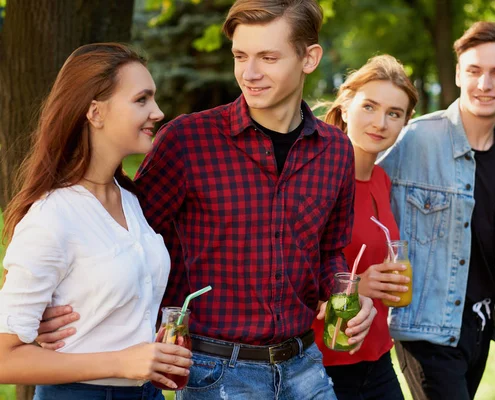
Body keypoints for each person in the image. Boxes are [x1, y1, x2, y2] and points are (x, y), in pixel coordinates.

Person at [36, 1, 376, 399]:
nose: (249, 74)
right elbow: (122, 238)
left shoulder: (335, 150)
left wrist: (347, 296)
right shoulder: (187, 142)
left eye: (268, 57)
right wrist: (51, 303)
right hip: (214, 373)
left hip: (305, 366)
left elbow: (329, 252)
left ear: (309, 58)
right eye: (240, 56)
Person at [378, 22, 495, 400]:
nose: (485, 84)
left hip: (481, 326)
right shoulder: (414, 140)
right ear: (459, 71)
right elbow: (359, 199)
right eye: (475, 70)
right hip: (425, 327)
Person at [0, 43, 192, 399]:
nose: (158, 111)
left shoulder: (131, 200)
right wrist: (120, 362)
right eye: (142, 100)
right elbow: (3, 359)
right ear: (95, 113)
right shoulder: (52, 217)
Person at [311, 55, 418, 400]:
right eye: (369, 106)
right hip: (321, 364)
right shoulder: (316, 181)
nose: (380, 123)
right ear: (344, 106)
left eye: (394, 113)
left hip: (376, 357)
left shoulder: (382, 180)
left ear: (405, 122)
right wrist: (356, 285)